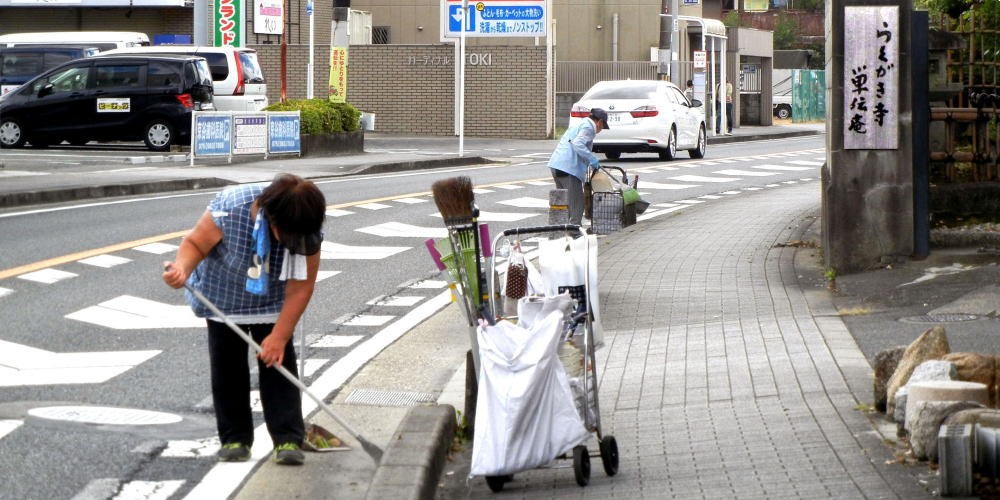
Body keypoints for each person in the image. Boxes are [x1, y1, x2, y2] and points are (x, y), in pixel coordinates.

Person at [162, 173, 326, 466]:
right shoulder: (231, 207)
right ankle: (234, 438)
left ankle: (288, 437)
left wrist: (279, 336)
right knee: (228, 371)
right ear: (272, 219)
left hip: (273, 300)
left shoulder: (307, 225)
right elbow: (196, 245)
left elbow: (302, 286)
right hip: (224, 297)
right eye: (286, 234)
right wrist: (181, 271)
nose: (292, 242)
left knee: (279, 368)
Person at [548, 108, 609, 226]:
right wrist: (591, 159)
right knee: (577, 203)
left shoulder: (580, 124)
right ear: (600, 122)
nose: (600, 130)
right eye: (603, 126)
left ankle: (562, 231)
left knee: (565, 202)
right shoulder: (589, 127)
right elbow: (578, 143)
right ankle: (574, 232)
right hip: (568, 168)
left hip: (557, 165)